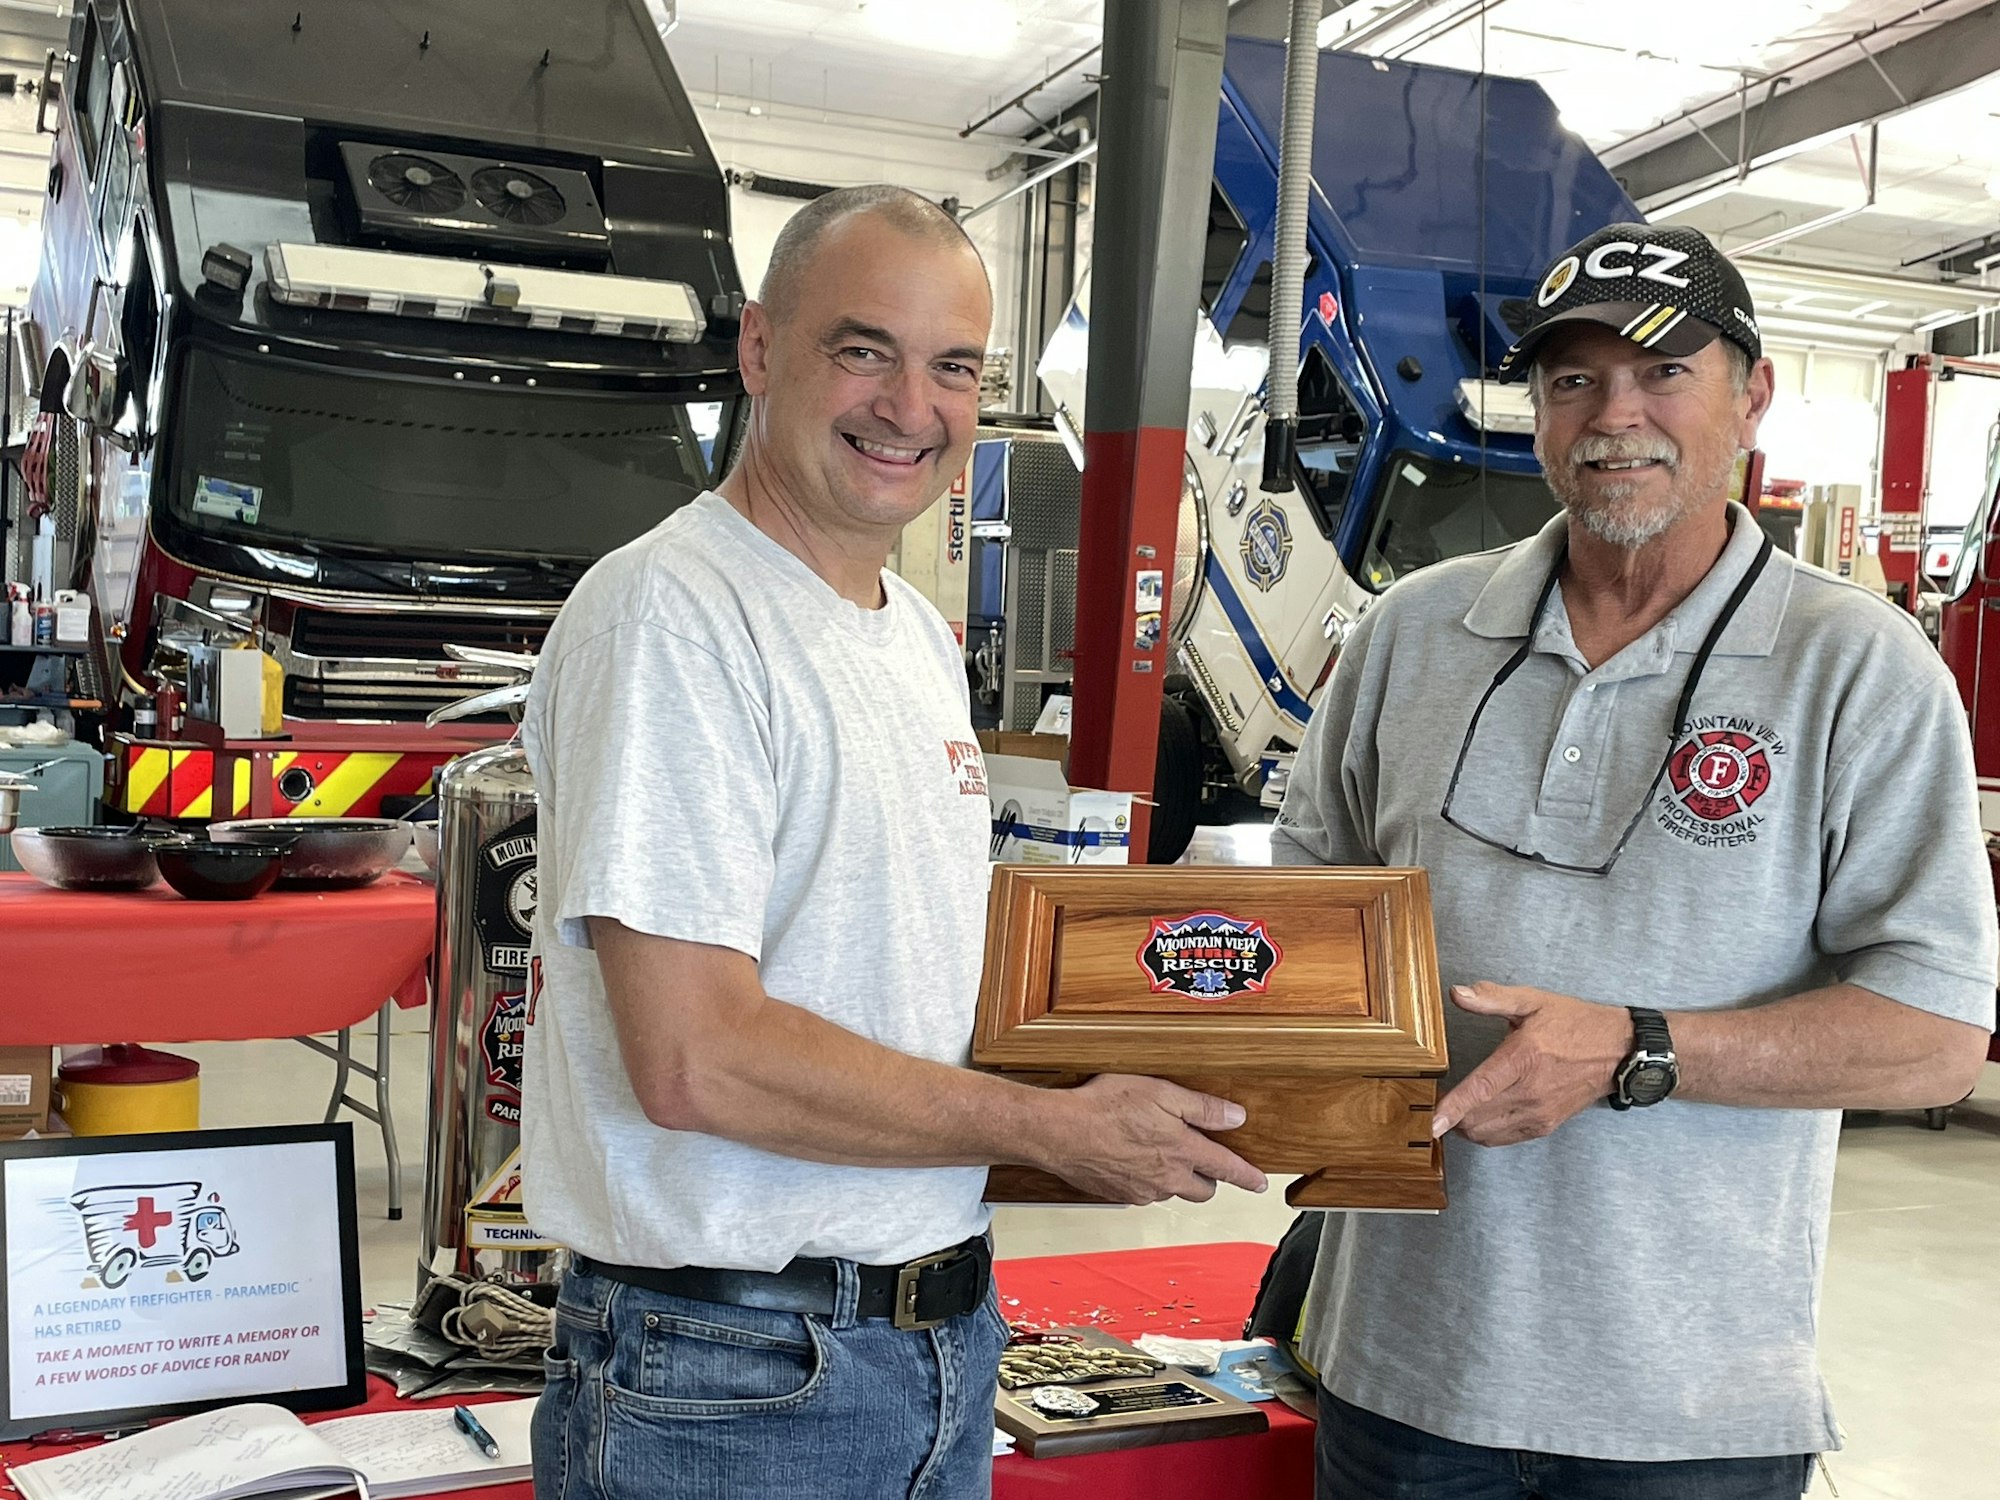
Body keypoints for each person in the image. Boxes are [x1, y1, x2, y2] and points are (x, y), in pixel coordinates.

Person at [518, 184, 1266, 1500]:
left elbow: (895, 980)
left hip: (926, 1339)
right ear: (760, 350)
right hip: (737, 1374)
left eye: (955, 366)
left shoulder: (910, 636)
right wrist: (1052, 1126)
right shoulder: (673, 618)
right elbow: (696, 1059)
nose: (909, 407)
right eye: (863, 349)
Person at [1273, 222, 1996, 1499]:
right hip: (1396, 1375)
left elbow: (1935, 1037)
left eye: (1663, 371)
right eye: (1572, 380)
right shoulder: (1410, 631)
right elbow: (1301, 917)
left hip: (1685, 1414)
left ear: (1750, 394)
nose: (1614, 415)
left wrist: (1634, 1046)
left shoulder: (1861, 667)